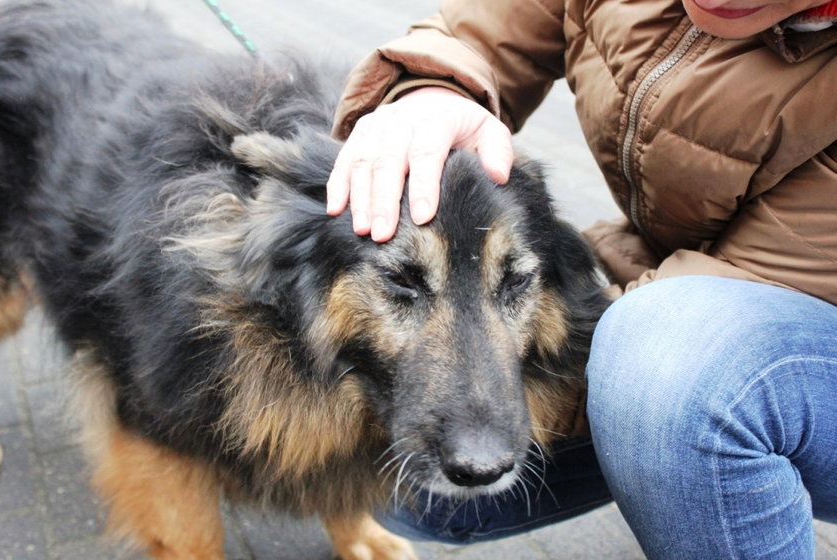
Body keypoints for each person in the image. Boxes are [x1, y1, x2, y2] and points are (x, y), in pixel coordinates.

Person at [325, 0, 837, 558]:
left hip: (798, 331)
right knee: (385, 469)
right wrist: (430, 90)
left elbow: (758, 289)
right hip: (689, 272)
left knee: (670, 367)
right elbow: (484, 29)